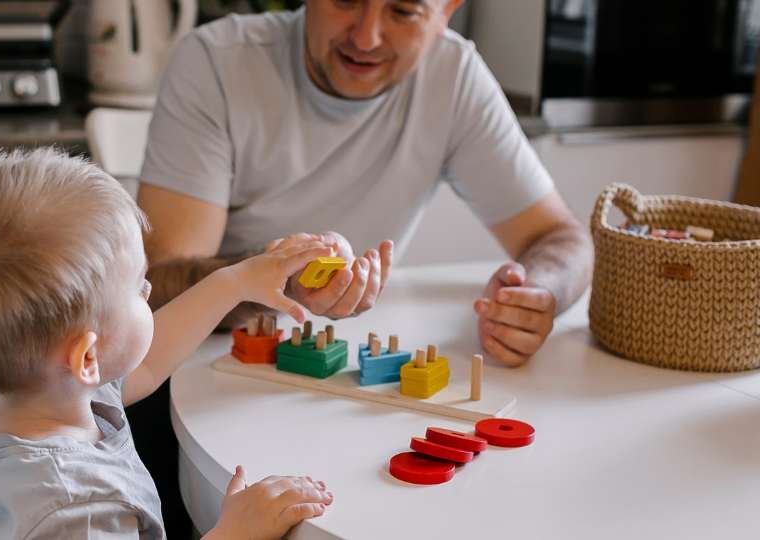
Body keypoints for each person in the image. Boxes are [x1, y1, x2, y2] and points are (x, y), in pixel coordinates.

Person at [131, 1, 593, 529]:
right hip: (195, 396)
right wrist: (271, 277)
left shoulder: (454, 73)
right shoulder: (217, 60)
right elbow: (157, 287)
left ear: (446, 12)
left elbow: (561, 238)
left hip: (334, 410)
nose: (368, 37)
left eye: (402, 11)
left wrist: (539, 294)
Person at [0, 147, 335, 539]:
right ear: (87, 357)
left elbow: (142, 366)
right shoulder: (80, 510)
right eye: (137, 287)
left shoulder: (23, 396)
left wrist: (235, 283)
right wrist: (237, 532)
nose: (148, 290)